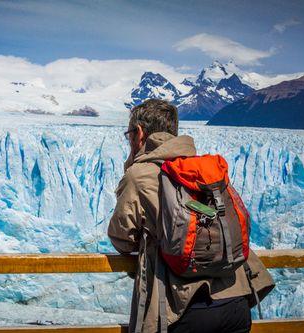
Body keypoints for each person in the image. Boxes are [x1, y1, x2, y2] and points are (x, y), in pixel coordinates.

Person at [107, 99, 275, 333]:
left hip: (183, 309)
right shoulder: (203, 170)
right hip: (236, 301)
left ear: (140, 133)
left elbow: (121, 239)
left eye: (129, 135)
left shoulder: (140, 174)